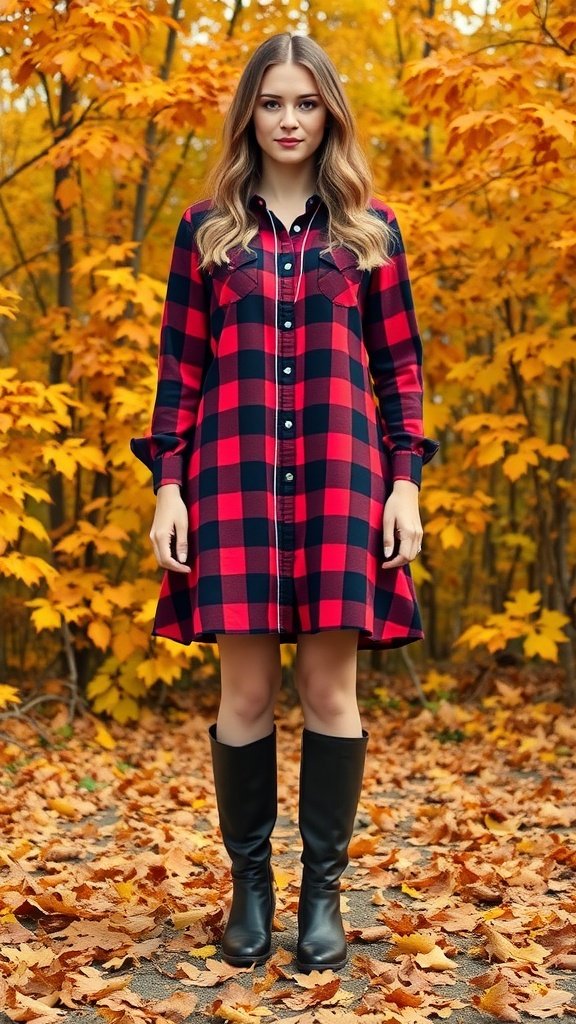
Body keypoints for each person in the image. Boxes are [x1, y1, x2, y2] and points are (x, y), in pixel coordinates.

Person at [130, 31, 439, 973]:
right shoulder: (206, 231)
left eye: (307, 103)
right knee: (249, 693)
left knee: (329, 690)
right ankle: (249, 892)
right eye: (274, 103)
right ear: (249, 115)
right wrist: (169, 486)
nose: (291, 120)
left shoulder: (370, 232)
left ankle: (321, 898)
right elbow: (178, 368)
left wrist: (405, 485)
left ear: (330, 113)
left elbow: (401, 372)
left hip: (345, 484)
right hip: (229, 485)